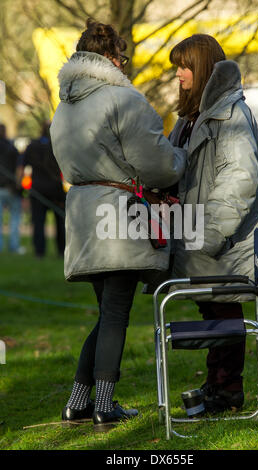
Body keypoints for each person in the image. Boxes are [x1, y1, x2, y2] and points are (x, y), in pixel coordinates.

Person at [50, 19, 186, 431]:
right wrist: (180, 161)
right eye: (122, 57)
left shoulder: (65, 107)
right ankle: (103, 405)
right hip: (118, 213)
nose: (125, 65)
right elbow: (158, 164)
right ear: (111, 58)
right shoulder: (121, 99)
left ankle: (78, 401)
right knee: (115, 313)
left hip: (83, 212)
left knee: (106, 311)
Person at [168, 34, 258, 415]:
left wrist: (209, 233)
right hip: (200, 236)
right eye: (176, 67)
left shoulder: (229, 113)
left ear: (201, 68)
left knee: (225, 310)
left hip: (226, 241)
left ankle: (229, 389)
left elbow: (241, 179)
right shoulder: (191, 117)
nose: (178, 74)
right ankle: (218, 385)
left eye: (184, 66)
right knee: (212, 311)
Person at [22, 121, 66, 258]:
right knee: (59, 222)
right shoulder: (59, 145)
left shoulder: (32, 145)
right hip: (55, 189)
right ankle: (61, 250)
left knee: (38, 221)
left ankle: (39, 252)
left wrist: (20, 185)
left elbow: (22, 167)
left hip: (38, 188)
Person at [0, 124, 22, 253]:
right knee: (15, 218)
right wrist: (17, 185)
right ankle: (14, 246)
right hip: (10, 187)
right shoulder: (11, 148)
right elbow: (19, 168)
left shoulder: (11, 148)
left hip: (5, 187)